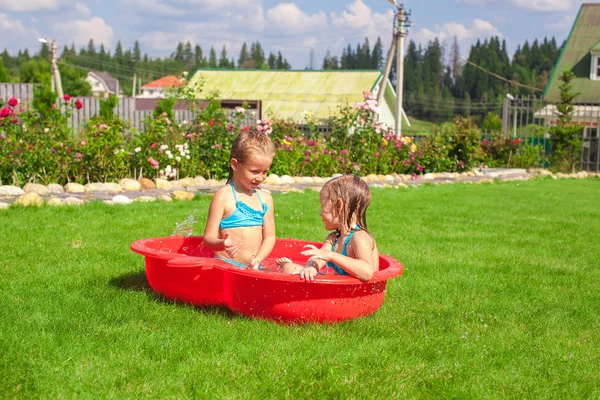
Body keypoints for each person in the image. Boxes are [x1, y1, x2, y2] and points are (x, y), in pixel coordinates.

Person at [276, 174, 379, 282]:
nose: (320, 213)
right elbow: (319, 258)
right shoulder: (333, 238)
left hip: (362, 295)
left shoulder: (359, 237)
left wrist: (331, 256)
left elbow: (367, 272)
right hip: (339, 292)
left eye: (323, 206)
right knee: (290, 268)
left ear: (339, 205)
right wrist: (311, 267)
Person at [202, 130, 276, 269]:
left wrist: (258, 260)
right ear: (235, 165)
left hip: (254, 266)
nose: (261, 177)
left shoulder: (265, 199)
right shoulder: (224, 196)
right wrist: (221, 244)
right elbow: (208, 239)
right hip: (226, 265)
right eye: (254, 171)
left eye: (265, 171)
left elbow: (270, 237)